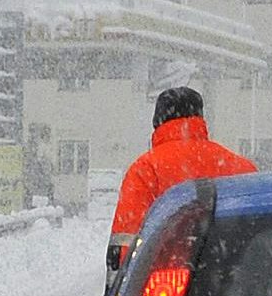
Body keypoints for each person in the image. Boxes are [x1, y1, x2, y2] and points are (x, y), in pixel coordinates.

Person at [107, 86, 256, 272]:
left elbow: (126, 245)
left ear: (157, 121)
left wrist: (117, 292)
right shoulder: (242, 168)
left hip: (168, 288)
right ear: (200, 118)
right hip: (235, 286)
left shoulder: (145, 169)